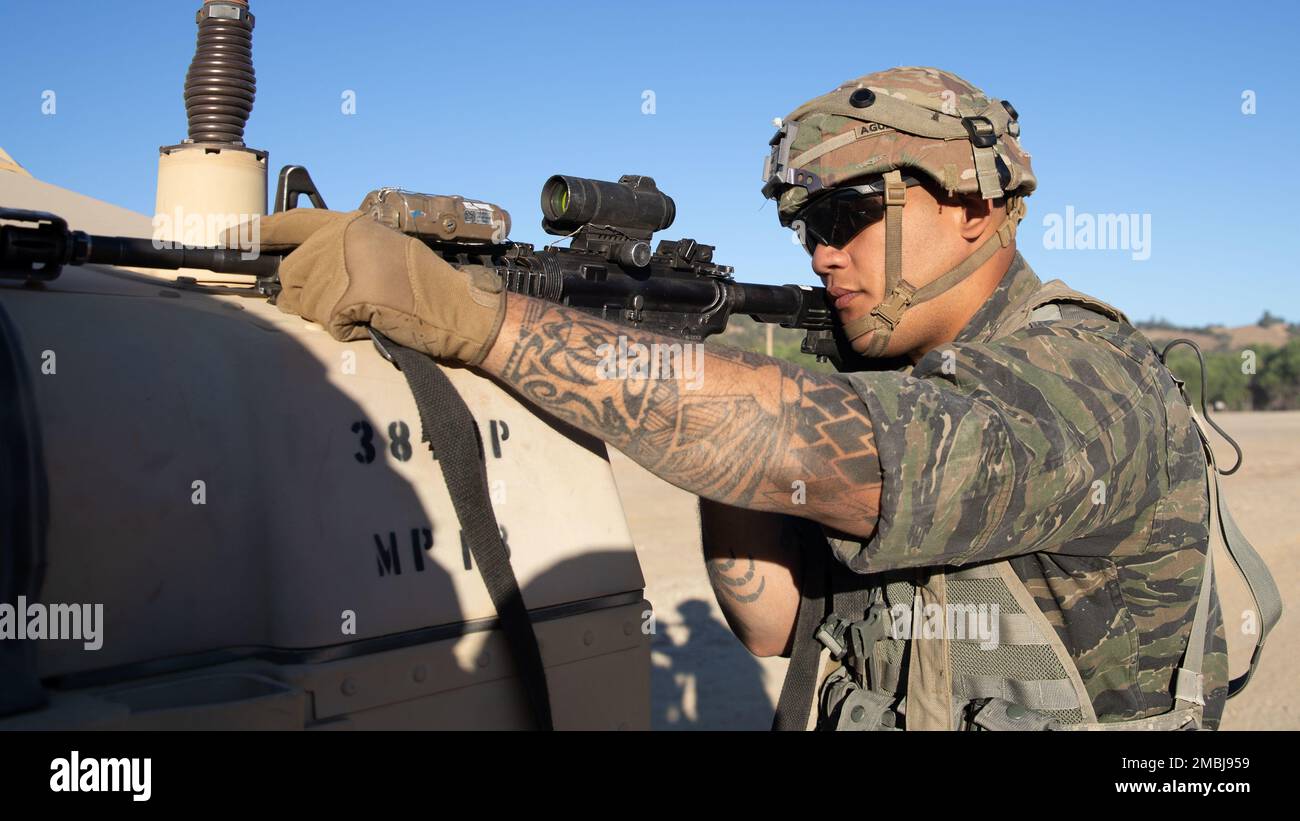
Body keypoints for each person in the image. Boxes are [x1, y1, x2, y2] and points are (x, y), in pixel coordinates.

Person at [245, 66, 1239, 731]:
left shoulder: (1085, 376)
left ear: (977, 208)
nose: (819, 251)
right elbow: (766, 620)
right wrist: (682, 368)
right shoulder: (892, 380)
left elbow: (823, 446)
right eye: (805, 220)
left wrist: (481, 319)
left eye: (850, 212)